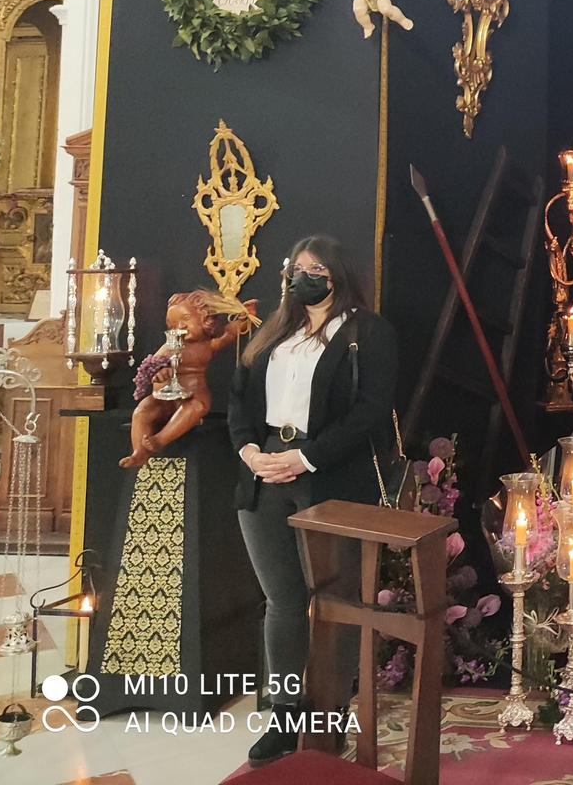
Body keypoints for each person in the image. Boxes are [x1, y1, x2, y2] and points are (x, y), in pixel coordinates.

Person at [228, 235, 397, 768]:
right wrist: (249, 449)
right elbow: (238, 399)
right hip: (262, 472)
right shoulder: (271, 332)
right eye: (295, 267)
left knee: (334, 599)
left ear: (338, 274)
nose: (303, 277)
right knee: (281, 600)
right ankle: (284, 718)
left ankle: (328, 714)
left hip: (328, 475)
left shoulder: (367, 331)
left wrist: (304, 459)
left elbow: (370, 410)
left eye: (316, 268)